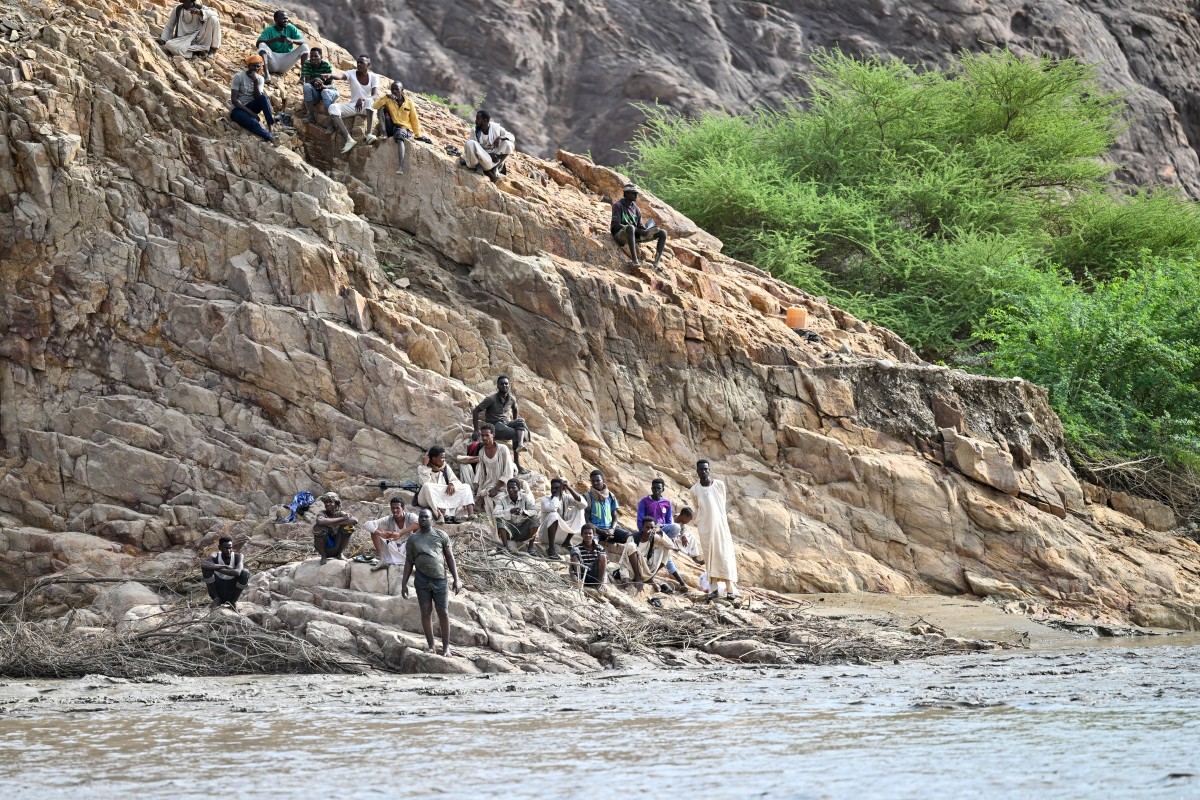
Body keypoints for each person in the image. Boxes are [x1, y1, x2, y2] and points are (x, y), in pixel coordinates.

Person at [401, 509, 461, 656]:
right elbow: (409, 562)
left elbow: (450, 558)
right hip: (422, 580)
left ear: (432, 520)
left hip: (440, 579)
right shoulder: (413, 539)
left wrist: (457, 579)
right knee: (426, 612)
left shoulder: (441, 535)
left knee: (443, 612)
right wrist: (404, 584)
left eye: (426, 517)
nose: (423, 519)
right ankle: (431, 645)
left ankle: (446, 647)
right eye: (421, 517)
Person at [585, 470, 647, 590]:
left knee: (630, 538)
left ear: (603, 480)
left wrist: (612, 529)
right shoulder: (588, 496)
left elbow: (614, 517)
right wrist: (601, 532)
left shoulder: (611, 496)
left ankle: (635, 572)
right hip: (596, 530)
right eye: (593, 481)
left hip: (610, 529)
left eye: (598, 480)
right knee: (593, 544)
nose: (595, 483)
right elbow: (587, 521)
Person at [690, 459, 740, 600]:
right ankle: (713, 589)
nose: (703, 471)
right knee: (709, 557)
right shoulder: (694, 490)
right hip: (705, 528)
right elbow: (697, 508)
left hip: (720, 526)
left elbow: (721, 505)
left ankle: (730, 589)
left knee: (724, 556)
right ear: (697, 471)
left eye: (706, 469)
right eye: (701, 469)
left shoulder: (719, 485)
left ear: (709, 470)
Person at [637, 479, 688, 591]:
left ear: (663, 489)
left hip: (661, 530)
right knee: (666, 553)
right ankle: (682, 583)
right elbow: (640, 521)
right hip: (648, 529)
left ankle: (680, 582)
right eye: (654, 488)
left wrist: (660, 529)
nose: (656, 490)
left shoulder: (666, 503)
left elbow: (669, 522)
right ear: (651, 488)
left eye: (658, 488)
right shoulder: (644, 501)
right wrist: (648, 530)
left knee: (676, 527)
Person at [471, 376, 529, 474]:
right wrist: (476, 429)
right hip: (494, 425)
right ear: (497, 385)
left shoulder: (511, 399)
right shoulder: (491, 399)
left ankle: (520, 444)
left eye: (506, 383)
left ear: (509, 385)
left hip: (506, 423)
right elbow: (476, 411)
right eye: (501, 384)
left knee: (521, 422)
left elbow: (515, 409)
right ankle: (517, 463)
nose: (504, 385)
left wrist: (515, 421)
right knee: (515, 433)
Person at [327, 54, 381, 154]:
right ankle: (349, 139)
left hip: (367, 107)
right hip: (354, 106)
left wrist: (363, 99)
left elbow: (375, 95)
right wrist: (331, 75)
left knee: (369, 100)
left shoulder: (374, 77)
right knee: (333, 107)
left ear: (368, 65)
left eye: (362, 62)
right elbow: (341, 76)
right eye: (358, 62)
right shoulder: (351, 73)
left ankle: (369, 134)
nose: (359, 64)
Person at [461, 424, 516, 514]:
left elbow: (508, 472)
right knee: (485, 499)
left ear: (493, 435)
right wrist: (480, 495)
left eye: (487, 435)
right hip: (488, 487)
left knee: (501, 504)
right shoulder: (482, 452)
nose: (484, 438)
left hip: (502, 487)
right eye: (482, 435)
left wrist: (496, 488)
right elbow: (482, 476)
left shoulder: (503, 449)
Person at [611, 183, 667, 269]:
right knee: (631, 227)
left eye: (636, 193)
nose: (636, 195)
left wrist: (646, 230)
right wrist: (637, 230)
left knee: (662, 232)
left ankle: (656, 262)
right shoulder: (618, 205)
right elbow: (616, 225)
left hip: (634, 235)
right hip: (620, 235)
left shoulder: (636, 209)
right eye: (633, 193)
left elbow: (640, 225)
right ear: (626, 194)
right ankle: (634, 260)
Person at [373, 81, 422, 174]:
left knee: (400, 138)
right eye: (392, 89)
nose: (394, 91)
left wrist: (418, 134)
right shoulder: (388, 99)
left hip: (402, 127)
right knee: (381, 109)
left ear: (402, 91)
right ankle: (384, 133)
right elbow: (375, 106)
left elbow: (414, 119)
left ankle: (401, 167)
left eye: (397, 89)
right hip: (390, 126)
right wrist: (385, 97)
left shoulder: (409, 102)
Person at [417, 446, 475, 522]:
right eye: (442, 458)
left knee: (466, 486)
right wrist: (425, 466)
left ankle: (471, 514)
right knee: (427, 486)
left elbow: (456, 481)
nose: (444, 460)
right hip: (426, 498)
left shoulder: (445, 467)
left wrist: (452, 483)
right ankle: (439, 515)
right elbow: (425, 483)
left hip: (441, 496)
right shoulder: (422, 468)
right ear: (434, 458)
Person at [362, 497, 419, 572]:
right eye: (393, 508)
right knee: (374, 531)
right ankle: (382, 560)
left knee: (419, 530)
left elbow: (420, 523)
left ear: (403, 508)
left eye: (397, 508)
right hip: (393, 548)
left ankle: (416, 561)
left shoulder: (410, 517)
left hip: (407, 549)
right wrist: (381, 534)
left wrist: (400, 534)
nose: (395, 511)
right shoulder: (388, 519)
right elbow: (367, 524)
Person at [461, 110, 515, 182]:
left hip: (492, 160)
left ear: (484, 120)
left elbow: (512, 137)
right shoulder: (474, 130)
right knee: (470, 143)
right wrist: (489, 155)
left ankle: (496, 167)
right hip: (481, 159)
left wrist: (500, 138)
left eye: (478, 119)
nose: (475, 121)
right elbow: (472, 149)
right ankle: (478, 166)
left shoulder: (496, 128)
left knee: (508, 144)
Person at [229, 56, 275, 142]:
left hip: (252, 105)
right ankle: (268, 136)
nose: (256, 68)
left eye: (258, 66)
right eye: (254, 66)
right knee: (252, 122)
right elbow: (234, 100)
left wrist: (255, 82)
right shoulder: (238, 76)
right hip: (238, 108)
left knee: (264, 97)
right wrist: (251, 113)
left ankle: (271, 128)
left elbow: (257, 97)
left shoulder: (260, 79)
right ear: (248, 66)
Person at [538, 476, 586, 558]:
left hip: (561, 537)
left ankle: (567, 542)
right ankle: (551, 549)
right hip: (546, 537)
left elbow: (583, 505)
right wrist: (557, 494)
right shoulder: (545, 499)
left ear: (562, 490)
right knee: (553, 514)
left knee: (579, 509)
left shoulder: (566, 497)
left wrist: (569, 488)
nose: (553, 490)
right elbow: (552, 508)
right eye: (552, 488)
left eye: (557, 488)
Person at [255, 10, 310, 81]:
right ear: (276, 20)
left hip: (286, 61)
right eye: (283, 19)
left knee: (304, 46)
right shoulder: (269, 30)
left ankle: (303, 78)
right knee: (262, 44)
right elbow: (258, 43)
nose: (286, 20)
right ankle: (266, 74)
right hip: (273, 61)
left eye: (287, 18)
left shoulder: (290, 27)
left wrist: (292, 40)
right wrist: (275, 39)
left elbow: (303, 41)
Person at [158, 0, 222, 59]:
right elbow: (170, 25)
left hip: (198, 38)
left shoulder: (200, 8)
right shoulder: (177, 9)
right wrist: (164, 38)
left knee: (214, 19)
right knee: (169, 45)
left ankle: (213, 49)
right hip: (183, 39)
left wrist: (200, 12)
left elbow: (215, 14)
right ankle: (197, 51)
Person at [201, 536, 250, 610]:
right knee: (206, 569)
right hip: (218, 591)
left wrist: (216, 568)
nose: (229, 550)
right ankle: (216, 600)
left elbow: (237, 572)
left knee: (245, 572)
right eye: (225, 548)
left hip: (231, 591)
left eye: (230, 548)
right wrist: (224, 566)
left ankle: (234, 602)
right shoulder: (215, 555)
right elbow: (203, 564)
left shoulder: (238, 556)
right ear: (219, 547)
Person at [313, 491, 357, 564]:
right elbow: (320, 521)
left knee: (349, 527)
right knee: (318, 528)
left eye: (330, 502)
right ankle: (323, 556)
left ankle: (340, 554)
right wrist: (342, 519)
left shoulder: (341, 513)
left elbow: (354, 521)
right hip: (324, 548)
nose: (327, 504)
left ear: (336, 503)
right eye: (326, 502)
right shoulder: (322, 513)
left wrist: (333, 523)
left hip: (337, 546)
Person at [494, 478, 538, 551]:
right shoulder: (502, 500)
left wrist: (524, 512)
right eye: (509, 488)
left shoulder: (525, 497)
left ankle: (531, 548)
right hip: (510, 532)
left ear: (519, 488)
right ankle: (505, 547)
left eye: (513, 488)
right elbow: (495, 513)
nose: (510, 490)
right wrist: (510, 511)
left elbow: (535, 511)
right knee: (499, 519)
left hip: (524, 531)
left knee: (534, 519)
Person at [300, 47, 338, 123]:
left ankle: (330, 123)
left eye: (316, 56)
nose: (313, 58)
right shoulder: (307, 64)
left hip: (326, 91)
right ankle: (311, 116)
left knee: (325, 92)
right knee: (306, 86)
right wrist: (315, 80)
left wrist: (323, 86)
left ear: (321, 57)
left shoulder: (326, 66)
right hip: (315, 93)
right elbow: (307, 81)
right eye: (311, 56)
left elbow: (331, 85)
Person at [569, 524, 607, 590]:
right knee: (574, 550)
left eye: (590, 533)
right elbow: (571, 565)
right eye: (585, 533)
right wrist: (573, 577)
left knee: (603, 556)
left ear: (594, 535)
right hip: (582, 573)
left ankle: (599, 582)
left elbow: (605, 567)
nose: (587, 535)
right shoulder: (577, 548)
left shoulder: (599, 548)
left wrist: (603, 582)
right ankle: (579, 581)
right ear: (581, 535)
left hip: (595, 576)